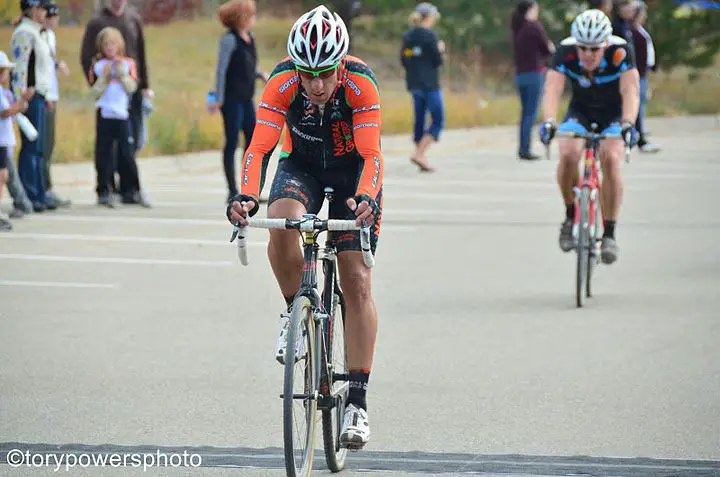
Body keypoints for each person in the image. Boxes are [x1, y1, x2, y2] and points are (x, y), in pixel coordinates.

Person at [226, 5, 383, 449]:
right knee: (282, 218)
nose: (315, 84)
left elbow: (372, 155)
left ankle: (357, 401)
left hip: (353, 174)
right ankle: (295, 308)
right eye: (307, 73)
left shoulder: (360, 83)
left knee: (356, 280)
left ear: (340, 65)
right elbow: (259, 148)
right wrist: (244, 195)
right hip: (303, 168)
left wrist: (367, 199)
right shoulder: (282, 81)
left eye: (325, 73)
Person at [539, 9, 640, 264]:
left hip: (613, 114)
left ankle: (609, 232)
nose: (588, 54)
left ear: (605, 44)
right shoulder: (565, 52)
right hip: (580, 111)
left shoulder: (621, 52)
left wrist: (629, 123)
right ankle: (571, 213)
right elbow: (552, 87)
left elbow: (630, 90)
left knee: (611, 158)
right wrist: (549, 120)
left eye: (594, 49)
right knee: (568, 153)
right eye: (583, 48)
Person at [80, 0, 151, 206]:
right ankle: (105, 188)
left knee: (128, 147)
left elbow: (141, 52)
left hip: (127, 97)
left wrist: (144, 84)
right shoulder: (97, 21)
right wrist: (96, 81)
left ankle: (130, 189)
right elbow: (86, 57)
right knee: (105, 150)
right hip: (106, 103)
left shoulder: (132, 18)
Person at [210, 0, 268, 202]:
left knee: (252, 143)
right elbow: (221, 69)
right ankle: (232, 189)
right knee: (232, 141)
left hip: (246, 98)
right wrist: (217, 97)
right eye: (251, 15)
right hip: (232, 100)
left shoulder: (250, 38)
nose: (253, 19)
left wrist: (260, 75)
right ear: (241, 18)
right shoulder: (229, 40)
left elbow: (248, 67)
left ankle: (249, 188)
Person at [89, 27, 142, 208]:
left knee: (127, 153)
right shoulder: (98, 66)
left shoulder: (128, 64)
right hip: (105, 113)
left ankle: (132, 190)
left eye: (112, 43)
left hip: (122, 114)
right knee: (104, 155)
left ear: (119, 45)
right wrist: (103, 78)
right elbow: (94, 92)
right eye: (106, 44)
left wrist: (122, 75)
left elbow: (132, 88)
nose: (109, 47)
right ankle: (104, 190)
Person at [10, 0, 55, 213]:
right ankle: (29, 192)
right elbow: (20, 66)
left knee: (38, 148)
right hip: (30, 95)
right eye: (42, 9)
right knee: (31, 146)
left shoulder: (37, 32)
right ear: (32, 10)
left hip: (40, 94)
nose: (45, 13)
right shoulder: (25, 32)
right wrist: (21, 97)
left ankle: (39, 192)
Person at [401, 2, 444, 172]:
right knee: (438, 118)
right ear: (429, 18)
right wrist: (440, 50)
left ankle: (421, 156)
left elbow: (404, 59)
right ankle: (419, 153)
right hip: (430, 84)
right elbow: (437, 61)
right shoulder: (431, 36)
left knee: (419, 119)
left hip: (414, 83)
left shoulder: (408, 36)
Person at [511, 0, 554, 160]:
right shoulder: (534, 27)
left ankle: (522, 146)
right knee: (531, 113)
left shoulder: (517, 28)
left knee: (525, 113)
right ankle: (525, 149)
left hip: (520, 74)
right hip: (534, 74)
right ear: (530, 10)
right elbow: (546, 49)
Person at [41, 0, 71, 208]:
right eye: (53, 17)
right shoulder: (40, 35)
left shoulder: (50, 36)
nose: (55, 21)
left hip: (52, 92)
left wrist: (57, 64)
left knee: (49, 144)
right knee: (42, 144)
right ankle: (43, 187)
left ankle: (47, 186)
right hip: (45, 95)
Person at [0, 52, 34, 230]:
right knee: (3, 176)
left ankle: (22, 202)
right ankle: (22, 202)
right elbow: (4, 113)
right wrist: (20, 103)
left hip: (5, 140)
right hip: (1, 141)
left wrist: (19, 103)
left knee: (5, 175)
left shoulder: (3, 92)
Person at [631, 1, 659, 153]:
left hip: (643, 74)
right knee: (637, 105)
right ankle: (639, 135)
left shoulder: (640, 31)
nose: (645, 16)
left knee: (641, 104)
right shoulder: (632, 32)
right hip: (637, 75)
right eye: (642, 13)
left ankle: (640, 131)